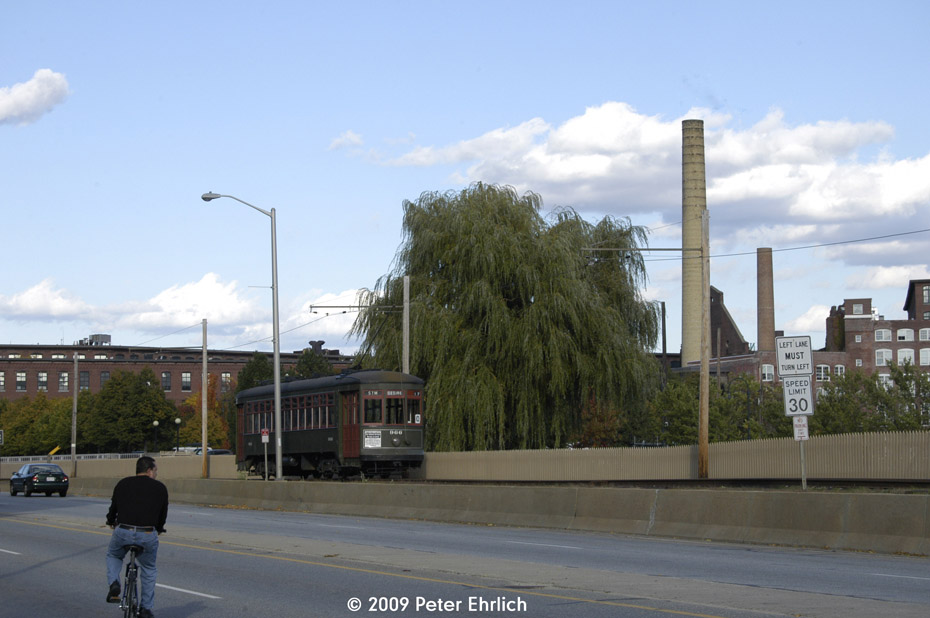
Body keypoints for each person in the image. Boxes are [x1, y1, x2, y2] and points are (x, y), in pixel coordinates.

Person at [105, 455, 169, 618]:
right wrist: (159, 528)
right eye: (155, 471)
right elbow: (162, 515)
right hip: (147, 533)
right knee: (148, 568)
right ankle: (146, 609)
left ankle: (114, 584)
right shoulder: (160, 488)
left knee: (113, 554)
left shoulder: (123, 484)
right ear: (149, 471)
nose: (156, 474)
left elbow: (114, 508)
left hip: (123, 530)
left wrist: (111, 521)